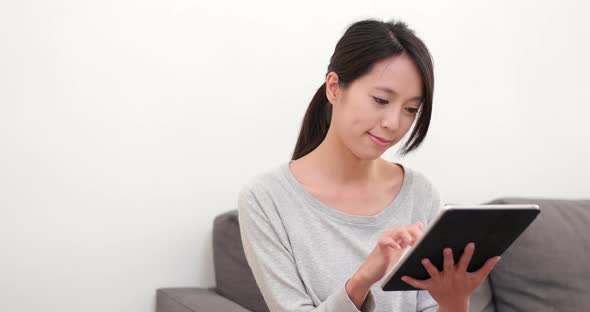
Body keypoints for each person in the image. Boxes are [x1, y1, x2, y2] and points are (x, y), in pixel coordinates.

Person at [237, 18, 500, 312]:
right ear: (334, 88)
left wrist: (454, 301)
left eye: (411, 109)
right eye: (380, 100)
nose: (393, 124)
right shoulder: (266, 199)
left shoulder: (420, 193)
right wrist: (362, 280)